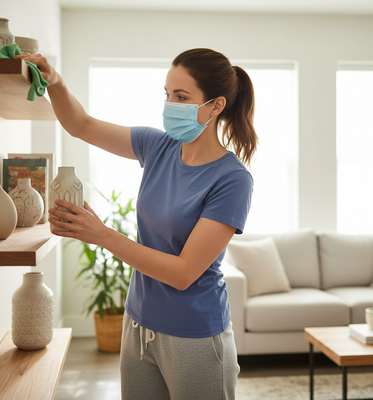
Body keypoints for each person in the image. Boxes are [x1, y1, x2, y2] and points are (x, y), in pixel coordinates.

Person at [17, 48, 257, 400]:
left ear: (215, 106)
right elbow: (80, 125)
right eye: (167, 94)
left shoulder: (232, 179)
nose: (170, 104)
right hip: (138, 325)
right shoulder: (157, 146)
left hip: (195, 336)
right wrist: (55, 81)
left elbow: (183, 272)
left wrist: (102, 236)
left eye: (181, 96)